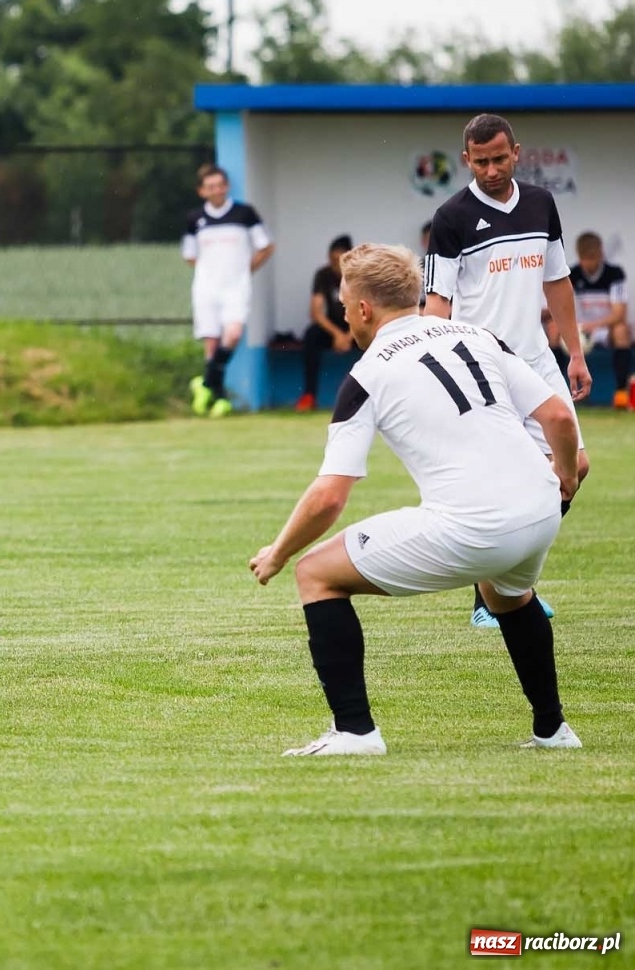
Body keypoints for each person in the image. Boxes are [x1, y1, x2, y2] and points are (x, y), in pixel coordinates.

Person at [250, 244, 582, 756]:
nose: (343, 313)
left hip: (476, 527)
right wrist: (564, 475)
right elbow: (558, 417)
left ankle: (354, 733)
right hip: (540, 512)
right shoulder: (478, 335)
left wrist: (277, 553)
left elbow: (329, 497)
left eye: (343, 304)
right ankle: (553, 730)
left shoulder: (366, 373)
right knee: (506, 595)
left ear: (363, 309)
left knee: (314, 572)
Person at [422, 113, 589, 629]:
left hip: (537, 360)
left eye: (500, 158)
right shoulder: (450, 217)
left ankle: (506, 584)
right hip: (482, 368)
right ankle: (488, 594)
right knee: (498, 483)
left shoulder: (542, 204)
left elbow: (557, 281)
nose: (491, 169)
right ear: (466, 159)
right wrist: (433, 365)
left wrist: (576, 353)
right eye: (481, 161)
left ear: (516, 152)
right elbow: (437, 302)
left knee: (574, 469)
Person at [182, 164, 274, 417]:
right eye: (210, 186)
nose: (217, 190)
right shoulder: (195, 219)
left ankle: (206, 384)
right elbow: (190, 255)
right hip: (206, 289)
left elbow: (266, 247)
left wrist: (245, 270)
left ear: (227, 186)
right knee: (211, 343)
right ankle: (219, 398)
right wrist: (210, 273)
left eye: (220, 184)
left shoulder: (245, 213)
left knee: (232, 334)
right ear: (202, 191)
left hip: (236, 287)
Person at [567, 231, 632, 409]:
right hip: (580, 330)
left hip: (605, 329)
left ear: (600, 254)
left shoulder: (615, 274)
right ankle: (566, 393)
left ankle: (620, 393)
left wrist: (593, 326)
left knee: (621, 331)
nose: (588, 263)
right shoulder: (571, 275)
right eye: (584, 258)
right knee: (553, 331)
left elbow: (619, 313)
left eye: (592, 258)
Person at [296, 234, 357, 412]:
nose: (335, 264)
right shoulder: (323, 275)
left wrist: (349, 335)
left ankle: (372, 398)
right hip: (333, 329)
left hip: (357, 328)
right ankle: (309, 396)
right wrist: (338, 335)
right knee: (311, 335)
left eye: (339, 260)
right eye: (332, 260)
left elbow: (368, 309)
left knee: (378, 339)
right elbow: (315, 311)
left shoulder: (359, 275)